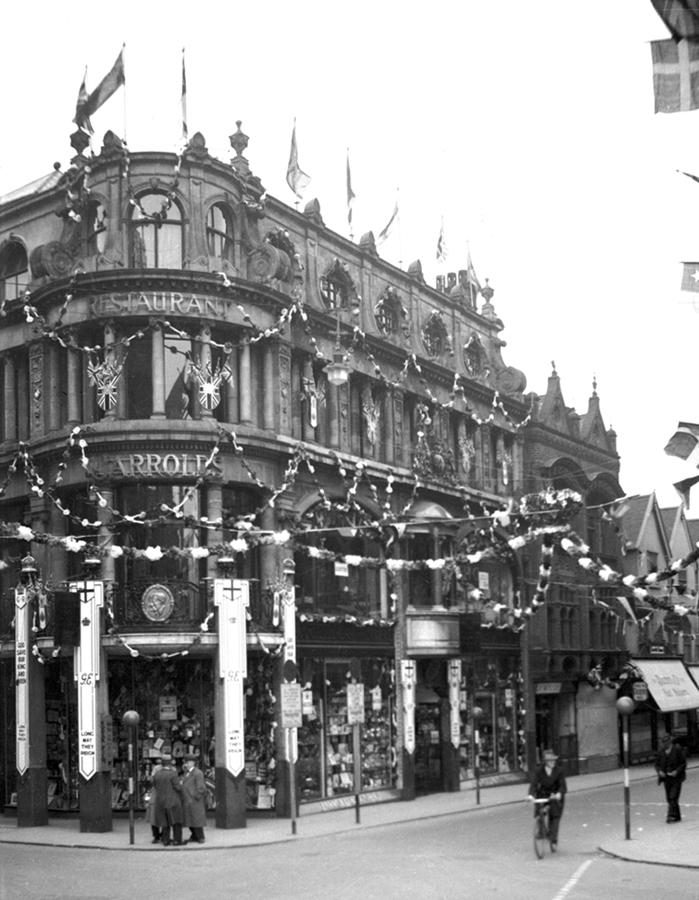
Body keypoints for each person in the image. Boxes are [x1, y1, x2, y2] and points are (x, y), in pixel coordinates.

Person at [527, 748, 567, 849]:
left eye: (553, 760)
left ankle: (553, 836)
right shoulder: (539, 771)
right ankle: (541, 831)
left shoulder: (559, 771)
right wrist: (530, 795)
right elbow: (534, 784)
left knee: (555, 815)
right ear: (545, 762)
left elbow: (563, 786)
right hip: (543, 795)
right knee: (539, 812)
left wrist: (559, 794)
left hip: (555, 796)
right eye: (550, 760)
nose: (552, 762)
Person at [152, 755, 184, 846]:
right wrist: (181, 785)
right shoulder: (173, 774)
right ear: (170, 764)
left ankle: (165, 841)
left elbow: (155, 786)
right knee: (177, 821)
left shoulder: (157, 774)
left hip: (161, 801)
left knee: (164, 822)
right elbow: (178, 787)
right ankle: (177, 840)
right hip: (173, 801)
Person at [655, 733, 686, 823]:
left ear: (670, 742)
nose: (665, 744)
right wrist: (659, 771)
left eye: (666, 742)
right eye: (663, 743)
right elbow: (656, 764)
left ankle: (671, 816)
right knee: (670, 798)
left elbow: (683, 763)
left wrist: (676, 771)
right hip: (666, 778)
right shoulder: (661, 752)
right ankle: (677, 816)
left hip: (676, 778)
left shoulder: (677, 750)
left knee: (673, 796)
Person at [181, 751, 207, 844]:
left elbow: (201, 787)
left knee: (196, 820)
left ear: (193, 762)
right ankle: (194, 836)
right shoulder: (187, 772)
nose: (186, 764)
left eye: (187, 762)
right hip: (188, 800)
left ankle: (200, 837)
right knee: (190, 820)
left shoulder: (198, 773)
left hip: (194, 800)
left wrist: (194, 796)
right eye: (185, 762)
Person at [145, 757, 162, 843]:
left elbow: (151, 780)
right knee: (161, 816)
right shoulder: (171, 768)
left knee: (154, 816)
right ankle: (161, 835)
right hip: (160, 795)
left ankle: (157, 836)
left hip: (156, 795)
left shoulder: (156, 768)